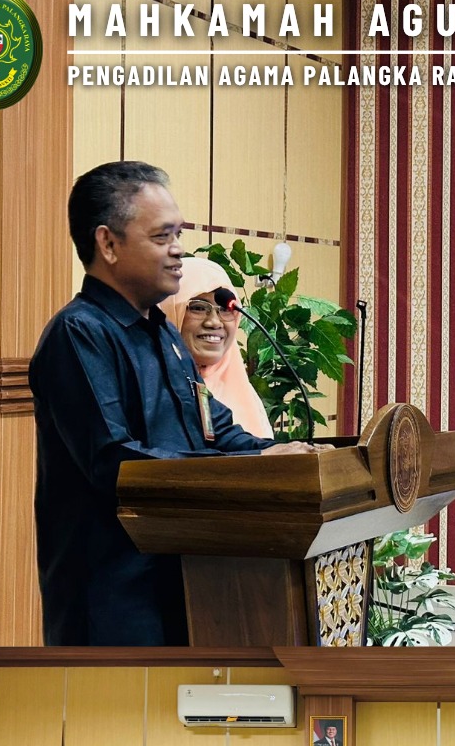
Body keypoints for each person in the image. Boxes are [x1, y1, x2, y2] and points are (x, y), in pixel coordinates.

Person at [29, 161, 315, 647]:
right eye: (163, 237)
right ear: (108, 244)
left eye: (178, 235)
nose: (179, 249)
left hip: (184, 581)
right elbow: (116, 462)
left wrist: (278, 456)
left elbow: (214, 430)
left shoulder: (161, 331)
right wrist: (241, 470)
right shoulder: (79, 334)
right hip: (113, 602)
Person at [159, 256, 273, 439]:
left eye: (226, 310)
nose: (214, 322)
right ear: (168, 311)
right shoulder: (148, 388)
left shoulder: (244, 393)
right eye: (198, 307)